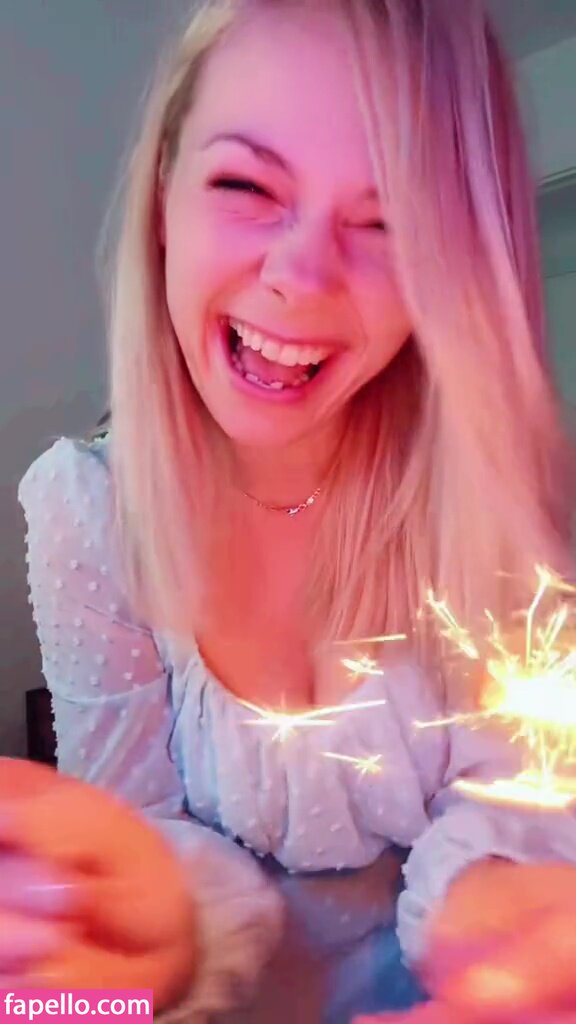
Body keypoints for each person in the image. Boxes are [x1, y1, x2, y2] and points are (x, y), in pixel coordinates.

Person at [9, 0, 576, 1021]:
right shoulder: (84, 509)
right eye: (247, 186)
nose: (303, 278)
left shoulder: (503, 488)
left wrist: (504, 936)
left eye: (390, 221)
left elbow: (520, 808)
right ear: (163, 196)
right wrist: (99, 952)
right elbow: (134, 863)